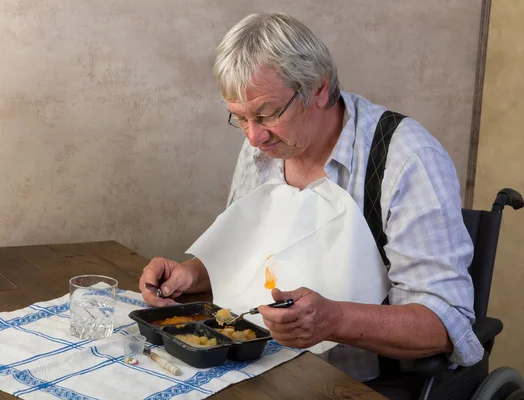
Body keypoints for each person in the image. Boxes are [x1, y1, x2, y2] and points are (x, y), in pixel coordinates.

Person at [138, 12, 482, 399]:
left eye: (267, 114)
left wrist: (333, 320)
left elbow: (444, 324)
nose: (254, 137)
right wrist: (191, 274)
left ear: (318, 89)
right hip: (258, 366)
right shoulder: (266, 147)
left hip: (359, 383)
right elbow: (256, 256)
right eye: (240, 118)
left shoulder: (407, 159)